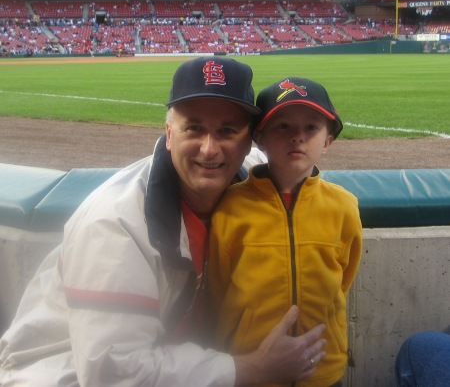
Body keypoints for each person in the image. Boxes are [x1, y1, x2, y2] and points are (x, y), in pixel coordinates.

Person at [0, 58, 327, 387]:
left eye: (227, 130)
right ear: (169, 135)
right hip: (62, 375)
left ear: (249, 143)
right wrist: (250, 370)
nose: (210, 149)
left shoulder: (251, 177)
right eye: (194, 128)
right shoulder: (114, 226)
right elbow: (115, 374)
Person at [208, 77, 363, 387]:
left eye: (311, 128)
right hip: (251, 366)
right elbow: (217, 286)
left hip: (322, 366)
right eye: (283, 127)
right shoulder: (232, 206)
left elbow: (344, 277)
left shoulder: (344, 206)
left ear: (328, 141)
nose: (297, 137)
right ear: (260, 139)